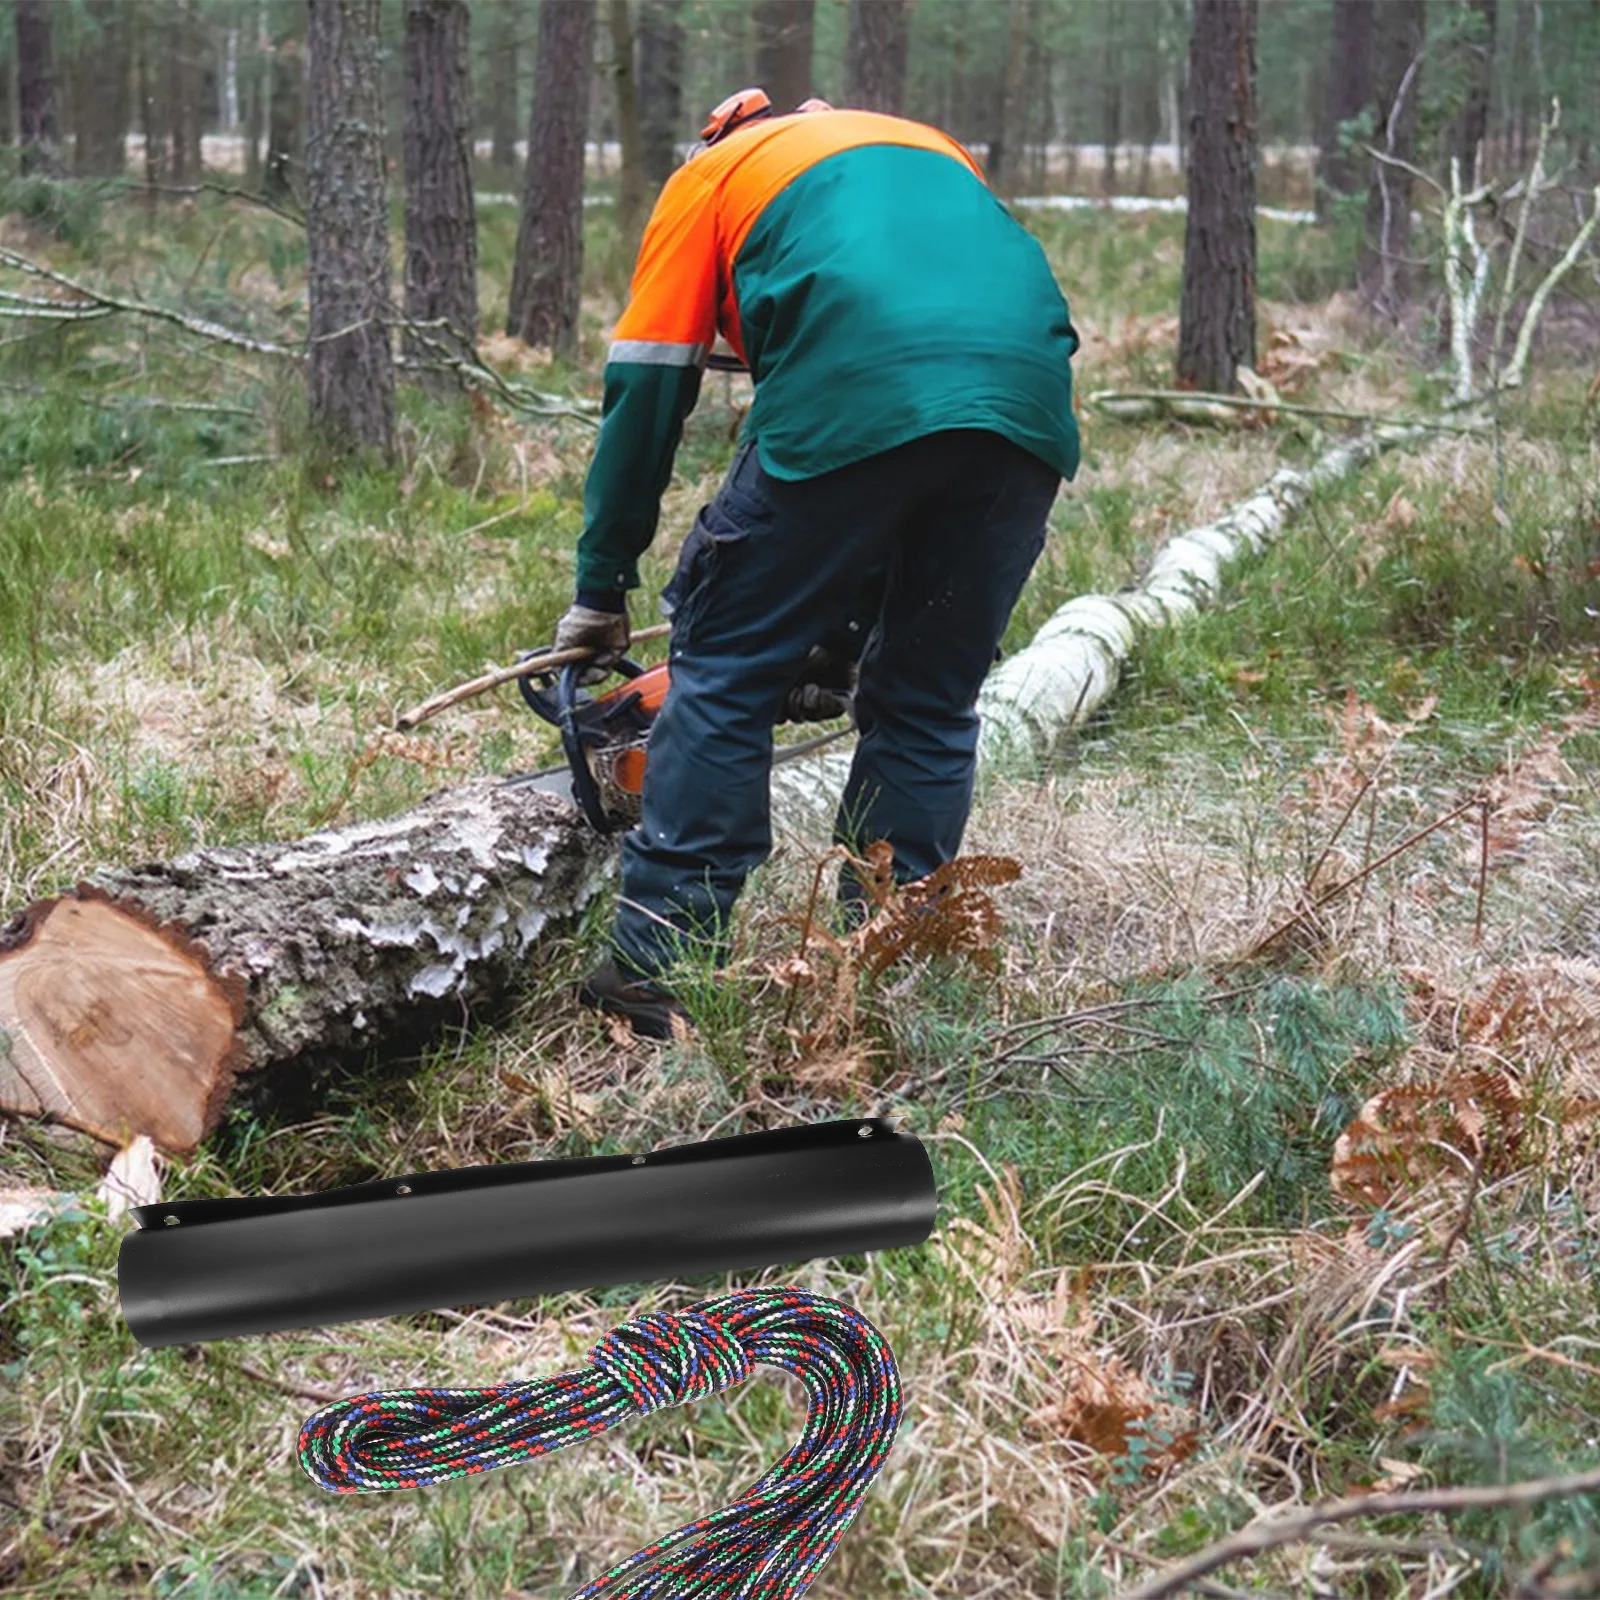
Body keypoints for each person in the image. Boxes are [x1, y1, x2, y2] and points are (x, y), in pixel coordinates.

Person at [558, 88, 1081, 1038]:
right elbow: (919, 420)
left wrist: (601, 587)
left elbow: (646, 386)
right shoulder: (927, 147)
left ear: (717, 136)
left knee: (725, 670)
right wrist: (838, 633)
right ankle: (885, 965)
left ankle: (662, 965)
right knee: (929, 701)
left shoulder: (711, 174)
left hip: (855, 386)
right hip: (1026, 409)